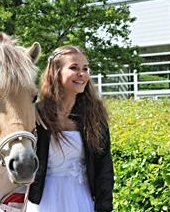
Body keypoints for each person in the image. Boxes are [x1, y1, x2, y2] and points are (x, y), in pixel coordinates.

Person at [27, 45, 114, 212]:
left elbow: (104, 168)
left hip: (82, 199)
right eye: (74, 68)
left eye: (85, 69)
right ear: (55, 72)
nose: (82, 74)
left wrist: (104, 207)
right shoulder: (36, 115)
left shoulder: (95, 116)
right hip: (42, 201)